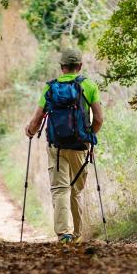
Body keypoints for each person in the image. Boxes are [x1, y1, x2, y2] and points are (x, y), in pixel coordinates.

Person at [25, 48, 104, 244]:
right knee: (75, 190)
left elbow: (36, 121)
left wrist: (29, 131)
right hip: (80, 146)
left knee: (60, 189)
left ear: (62, 67)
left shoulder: (50, 88)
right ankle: (77, 234)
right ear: (80, 66)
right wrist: (89, 137)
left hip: (56, 146)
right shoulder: (89, 85)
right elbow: (99, 120)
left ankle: (64, 235)